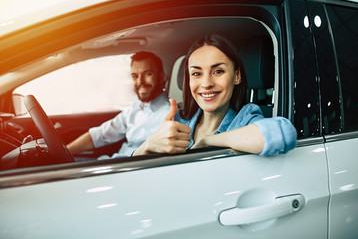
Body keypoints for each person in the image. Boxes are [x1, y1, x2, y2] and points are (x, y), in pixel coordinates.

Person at [133, 34, 297, 156]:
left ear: (237, 76)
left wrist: (206, 142)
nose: (206, 83)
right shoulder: (178, 120)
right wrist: (146, 146)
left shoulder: (245, 119)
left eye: (218, 71)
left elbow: (282, 133)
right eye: (196, 74)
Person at [67, 51, 170, 159]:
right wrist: (66, 152)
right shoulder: (135, 109)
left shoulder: (168, 115)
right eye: (135, 76)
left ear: (162, 77)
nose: (140, 82)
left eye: (148, 74)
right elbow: (101, 134)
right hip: (110, 162)